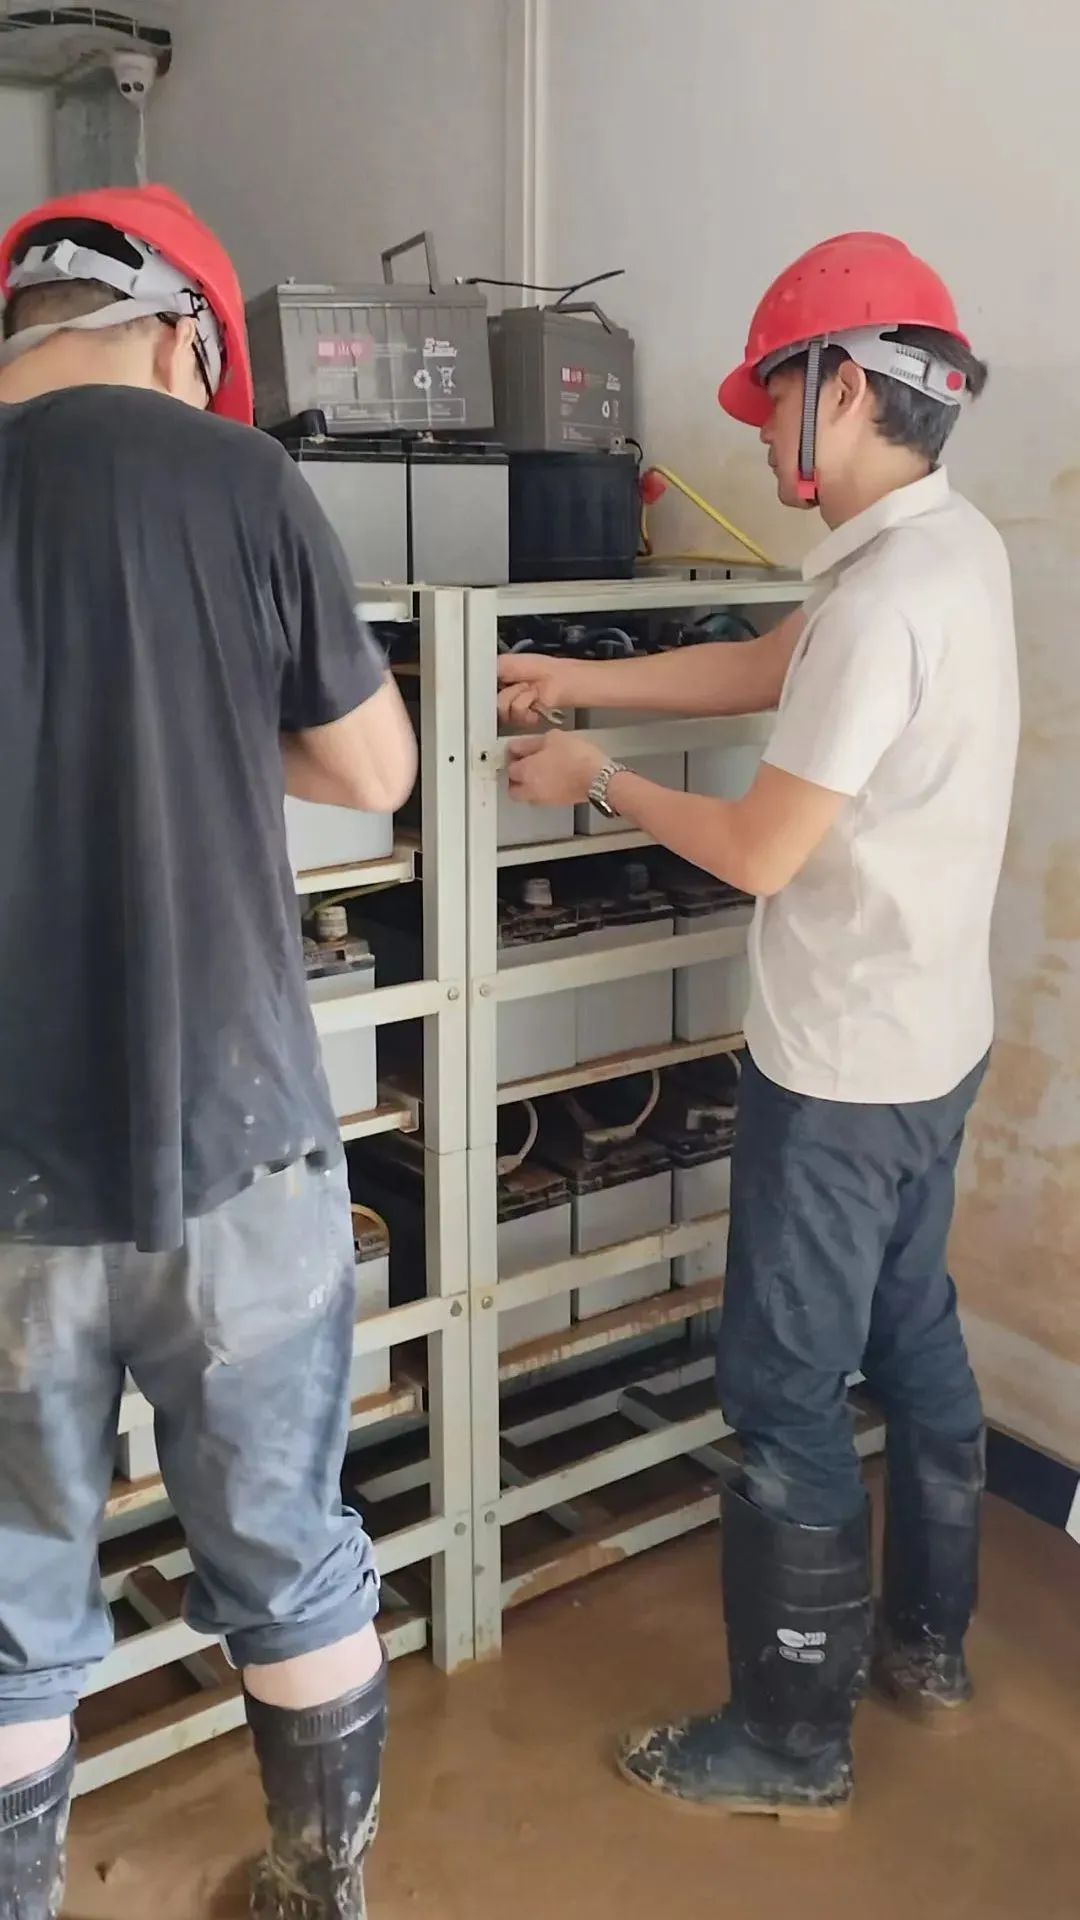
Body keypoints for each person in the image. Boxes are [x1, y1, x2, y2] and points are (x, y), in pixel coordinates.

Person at [498, 232, 1018, 1821]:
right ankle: (927, 1648)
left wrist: (598, 781)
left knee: (785, 1396)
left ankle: (789, 1746)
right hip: (935, 1040)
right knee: (913, 1334)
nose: (766, 426)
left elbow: (759, 852)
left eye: (777, 389)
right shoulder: (940, 552)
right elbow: (754, 664)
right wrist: (571, 680)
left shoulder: (885, 599)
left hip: (842, 1073)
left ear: (839, 386)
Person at [0, 185, 416, 1916]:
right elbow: (376, 769)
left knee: (9, 1604)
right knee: (288, 1558)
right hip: (238, 1137)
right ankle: (319, 1888)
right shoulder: (243, 482)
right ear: (185, 336)